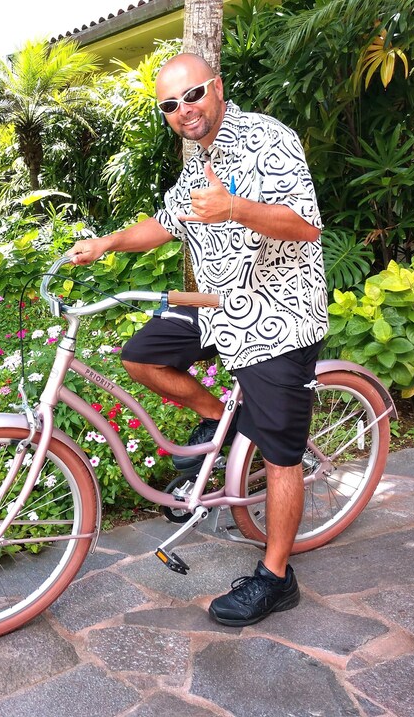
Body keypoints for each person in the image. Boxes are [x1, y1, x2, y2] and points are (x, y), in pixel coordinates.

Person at [68, 53, 328, 627]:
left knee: (283, 457)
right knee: (141, 356)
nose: (183, 110)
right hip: (215, 305)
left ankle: (278, 577)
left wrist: (235, 207)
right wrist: (107, 242)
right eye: (169, 105)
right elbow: (165, 224)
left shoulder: (266, 138)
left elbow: (306, 226)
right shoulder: (198, 162)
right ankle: (227, 423)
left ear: (217, 88)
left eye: (192, 96)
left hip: (275, 314)